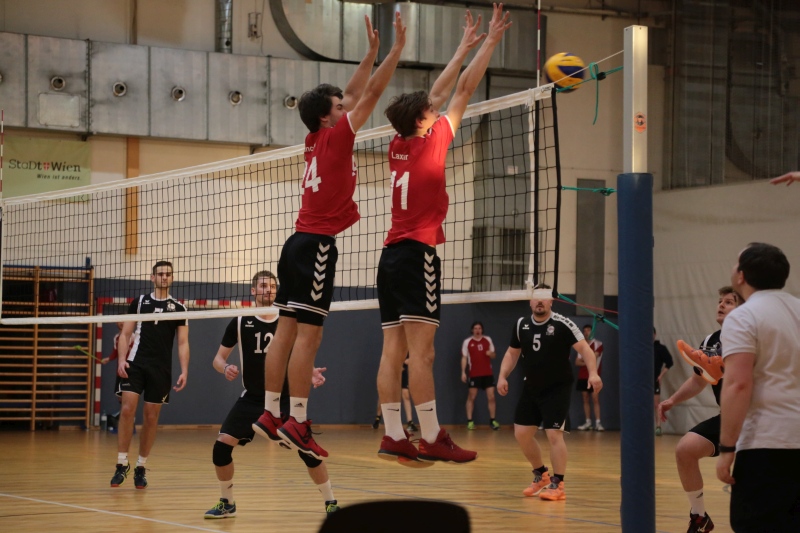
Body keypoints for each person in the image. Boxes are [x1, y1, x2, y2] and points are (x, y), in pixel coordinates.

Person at [253, 14, 407, 460]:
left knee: (284, 331)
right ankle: (298, 421)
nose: (346, 108)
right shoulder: (337, 137)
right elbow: (369, 94)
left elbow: (353, 94)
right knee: (309, 338)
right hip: (317, 246)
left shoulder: (312, 140)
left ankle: (270, 412)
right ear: (327, 117)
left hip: (295, 244)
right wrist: (396, 51)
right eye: (339, 107)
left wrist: (371, 52)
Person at [375, 5, 512, 466]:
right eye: (431, 113)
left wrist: (461, 47)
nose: (437, 111)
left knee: (392, 352)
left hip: (389, 258)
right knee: (423, 355)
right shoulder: (434, 143)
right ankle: (432, 435)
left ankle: (394, 433)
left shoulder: (398, 143)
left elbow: (434, 94)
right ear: (423, 122)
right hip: (418, 255)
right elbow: (463, 89)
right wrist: (490, 41)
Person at [205, 271, 334, 519]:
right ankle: (227, 502)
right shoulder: (240, 321)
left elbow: (300, 356)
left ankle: (331, 503)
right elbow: (217, 359)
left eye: (273, 286)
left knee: (307, 452)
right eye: (263, 286)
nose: (269, 290)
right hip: (253, 397)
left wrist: (310, 371)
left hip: (285, 398)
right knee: (221, 447)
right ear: (253, 291)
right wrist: (225, 367)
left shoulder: (287, 321)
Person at [716, 243, 800, 532]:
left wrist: (727, 448)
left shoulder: (743, 317)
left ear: (741, 276)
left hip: (768, 443)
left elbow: (738, 384)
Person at [496, 284, 602, 501]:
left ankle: (558, 484)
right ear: (530, 301)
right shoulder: (521, 324)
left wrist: (593, 373)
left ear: (552, 301)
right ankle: (541, 475)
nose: (540, 302)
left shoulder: (563, 324)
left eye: (544, 298)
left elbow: (586, 350)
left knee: (553, 434)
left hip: (557, 388)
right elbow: (511, 354)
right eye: (536, 298)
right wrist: (502, 376)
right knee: (521, 434)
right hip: (531, 387)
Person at [658, 286, 739, 533]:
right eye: (720, 301)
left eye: (729, 302)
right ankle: (699, 516)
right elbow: (698, 380)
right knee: (685, 450)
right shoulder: (710, 341)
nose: (721, 305)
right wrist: (672, 400)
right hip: (729, 419)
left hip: (760, 421)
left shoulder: (753, 339)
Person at [110, 260, 190, 489]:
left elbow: (183, 343)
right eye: (160, 274)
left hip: (160, 369)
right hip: (135, 363)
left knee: (151, 417)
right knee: (127, 409)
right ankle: (121, 463)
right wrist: (122, 360)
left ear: (172, 278)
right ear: (152, 277)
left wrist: (184, 370)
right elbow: (126, 334)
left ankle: (141, 467)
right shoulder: (139, 302)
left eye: (168, 274)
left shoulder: (179, 308)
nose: (164, 277)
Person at [460, 321, 499, 430]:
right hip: (474, 374)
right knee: (471, 397)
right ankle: (470, 421)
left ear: (482, 330)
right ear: (472, 330)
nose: (477, 330)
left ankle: (492, 421)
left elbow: (494, 355)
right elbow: (464, 358)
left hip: (488, 373)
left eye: (479, 328)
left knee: (491, 397)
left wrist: (491, 354)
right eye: (475, 328)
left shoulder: (488, 340)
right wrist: (463, 372)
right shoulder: (467, 342)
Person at [373, 355, 416, 432]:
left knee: (406, 395)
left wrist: (404, 362)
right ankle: (378, 418)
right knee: (385, 394)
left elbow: (412, 359)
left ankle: (410, 422)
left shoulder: (409, 349)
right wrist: (396, 363)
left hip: (403, 372)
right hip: (391, 370)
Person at [575, 324, 604, 431]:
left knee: (595, 398)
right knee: (585, 398)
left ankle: (598, 423)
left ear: (592, 331)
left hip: (594, 376)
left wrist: (586, 359)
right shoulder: (581, 345)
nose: (586, 332)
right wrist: (586, 360)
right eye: (585, 330)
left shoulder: (598, 344)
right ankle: (588, 422)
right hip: (583, 376)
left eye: (588, 330)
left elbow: (593, 357)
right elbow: (577, 362)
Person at [653, 327, 674, 436]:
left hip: (654, 380)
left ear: (654, 334)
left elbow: (670, 362)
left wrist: (661, 376)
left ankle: (658, 427)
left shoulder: (660, 348)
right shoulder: (641, 348)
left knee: (656, 404)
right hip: (642, 382)